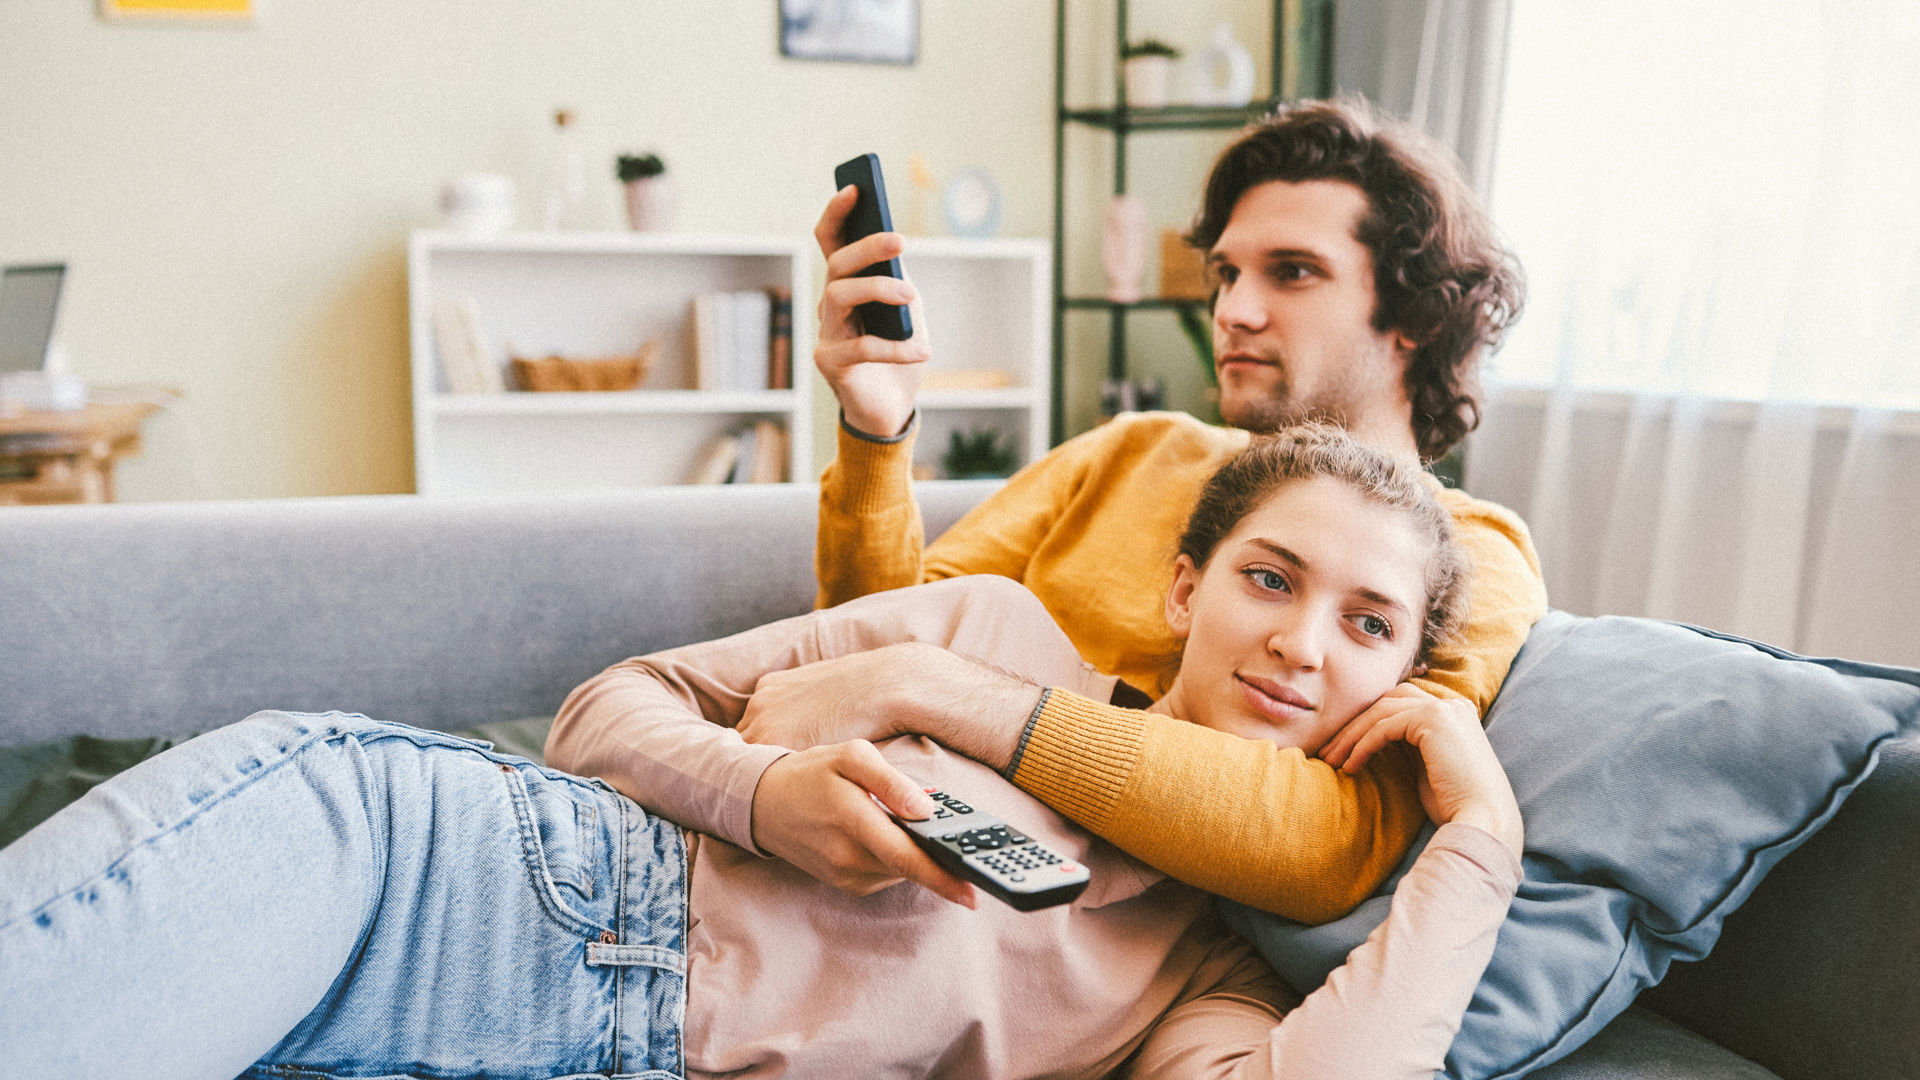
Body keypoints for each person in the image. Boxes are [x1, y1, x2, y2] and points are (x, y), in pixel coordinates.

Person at [0, 426, 1521, 1079]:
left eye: (1368, 623)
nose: (1303, 643)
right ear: (1187, 589)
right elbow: (614, 705)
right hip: (439, 878)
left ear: (1402, 677)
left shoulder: (1212, 985)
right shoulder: (985, 634)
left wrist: (1476, 848)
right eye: (1270, 577)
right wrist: (766, 795)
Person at [798, 96, 1546, 922]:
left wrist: (943, 695)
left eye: (1292, 272)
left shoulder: (1474, 556)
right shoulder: (1133, 449)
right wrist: (875, 427)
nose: (1232, 311)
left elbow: (1332, 846)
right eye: (1227, 273)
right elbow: (868, 645)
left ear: (1420, 315)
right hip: (870, 834)